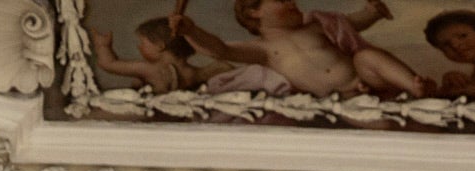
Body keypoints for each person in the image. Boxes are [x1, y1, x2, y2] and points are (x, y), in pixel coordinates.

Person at [176, 0, 428, 97]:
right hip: (338, 98)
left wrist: (371, 13)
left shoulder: (316, 25)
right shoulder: (261, 49)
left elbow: (350, 24)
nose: (292, 2)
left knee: (367, 55)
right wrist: (190, 30)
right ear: (255, 11)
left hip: (365, 77)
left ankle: (414, 86)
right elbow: (220, 50)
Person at [87, 17, 210, 91]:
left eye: (143, 43)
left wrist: (103, 46)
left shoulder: (150, 69)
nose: (139, 47)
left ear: (160, 46)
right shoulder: (196, 72)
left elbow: (108, 64)